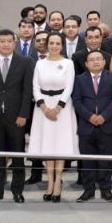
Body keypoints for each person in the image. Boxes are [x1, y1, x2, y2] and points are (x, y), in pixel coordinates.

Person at [0, 30, 34, 203]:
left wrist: (24, 114)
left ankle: (17, 190)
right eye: (2, 41)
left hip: (16, 117)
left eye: (9, 41)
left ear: (14, 42)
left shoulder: (25, 62)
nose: (5, 44)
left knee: (18, 155)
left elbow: (27, 91)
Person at [29, 33, 77, 202]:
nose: (54, 46)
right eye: (51, 43)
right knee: (48, 146)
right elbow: (35, 87)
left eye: (58, 43)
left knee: (60, 146)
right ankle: (49, 183)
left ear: (62, 45)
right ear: (46, 45)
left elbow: (69, 87)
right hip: (42, 109)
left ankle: (58, 183)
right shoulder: (39, 63)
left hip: (62, 108)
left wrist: (57, 108)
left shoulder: (68, 63)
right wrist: (44, 107)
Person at [72, 50, 112, 203]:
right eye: (92, 59)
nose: (96, 62)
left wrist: (104, 116)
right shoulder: (79, 79)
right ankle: (88, 191)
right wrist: (90, 116)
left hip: (107, 125)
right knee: (87, 161)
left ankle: (106, 190)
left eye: (99, 59)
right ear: (86, 63)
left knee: (106, 160)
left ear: (104, 62)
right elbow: (77, 101)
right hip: (86, 126)